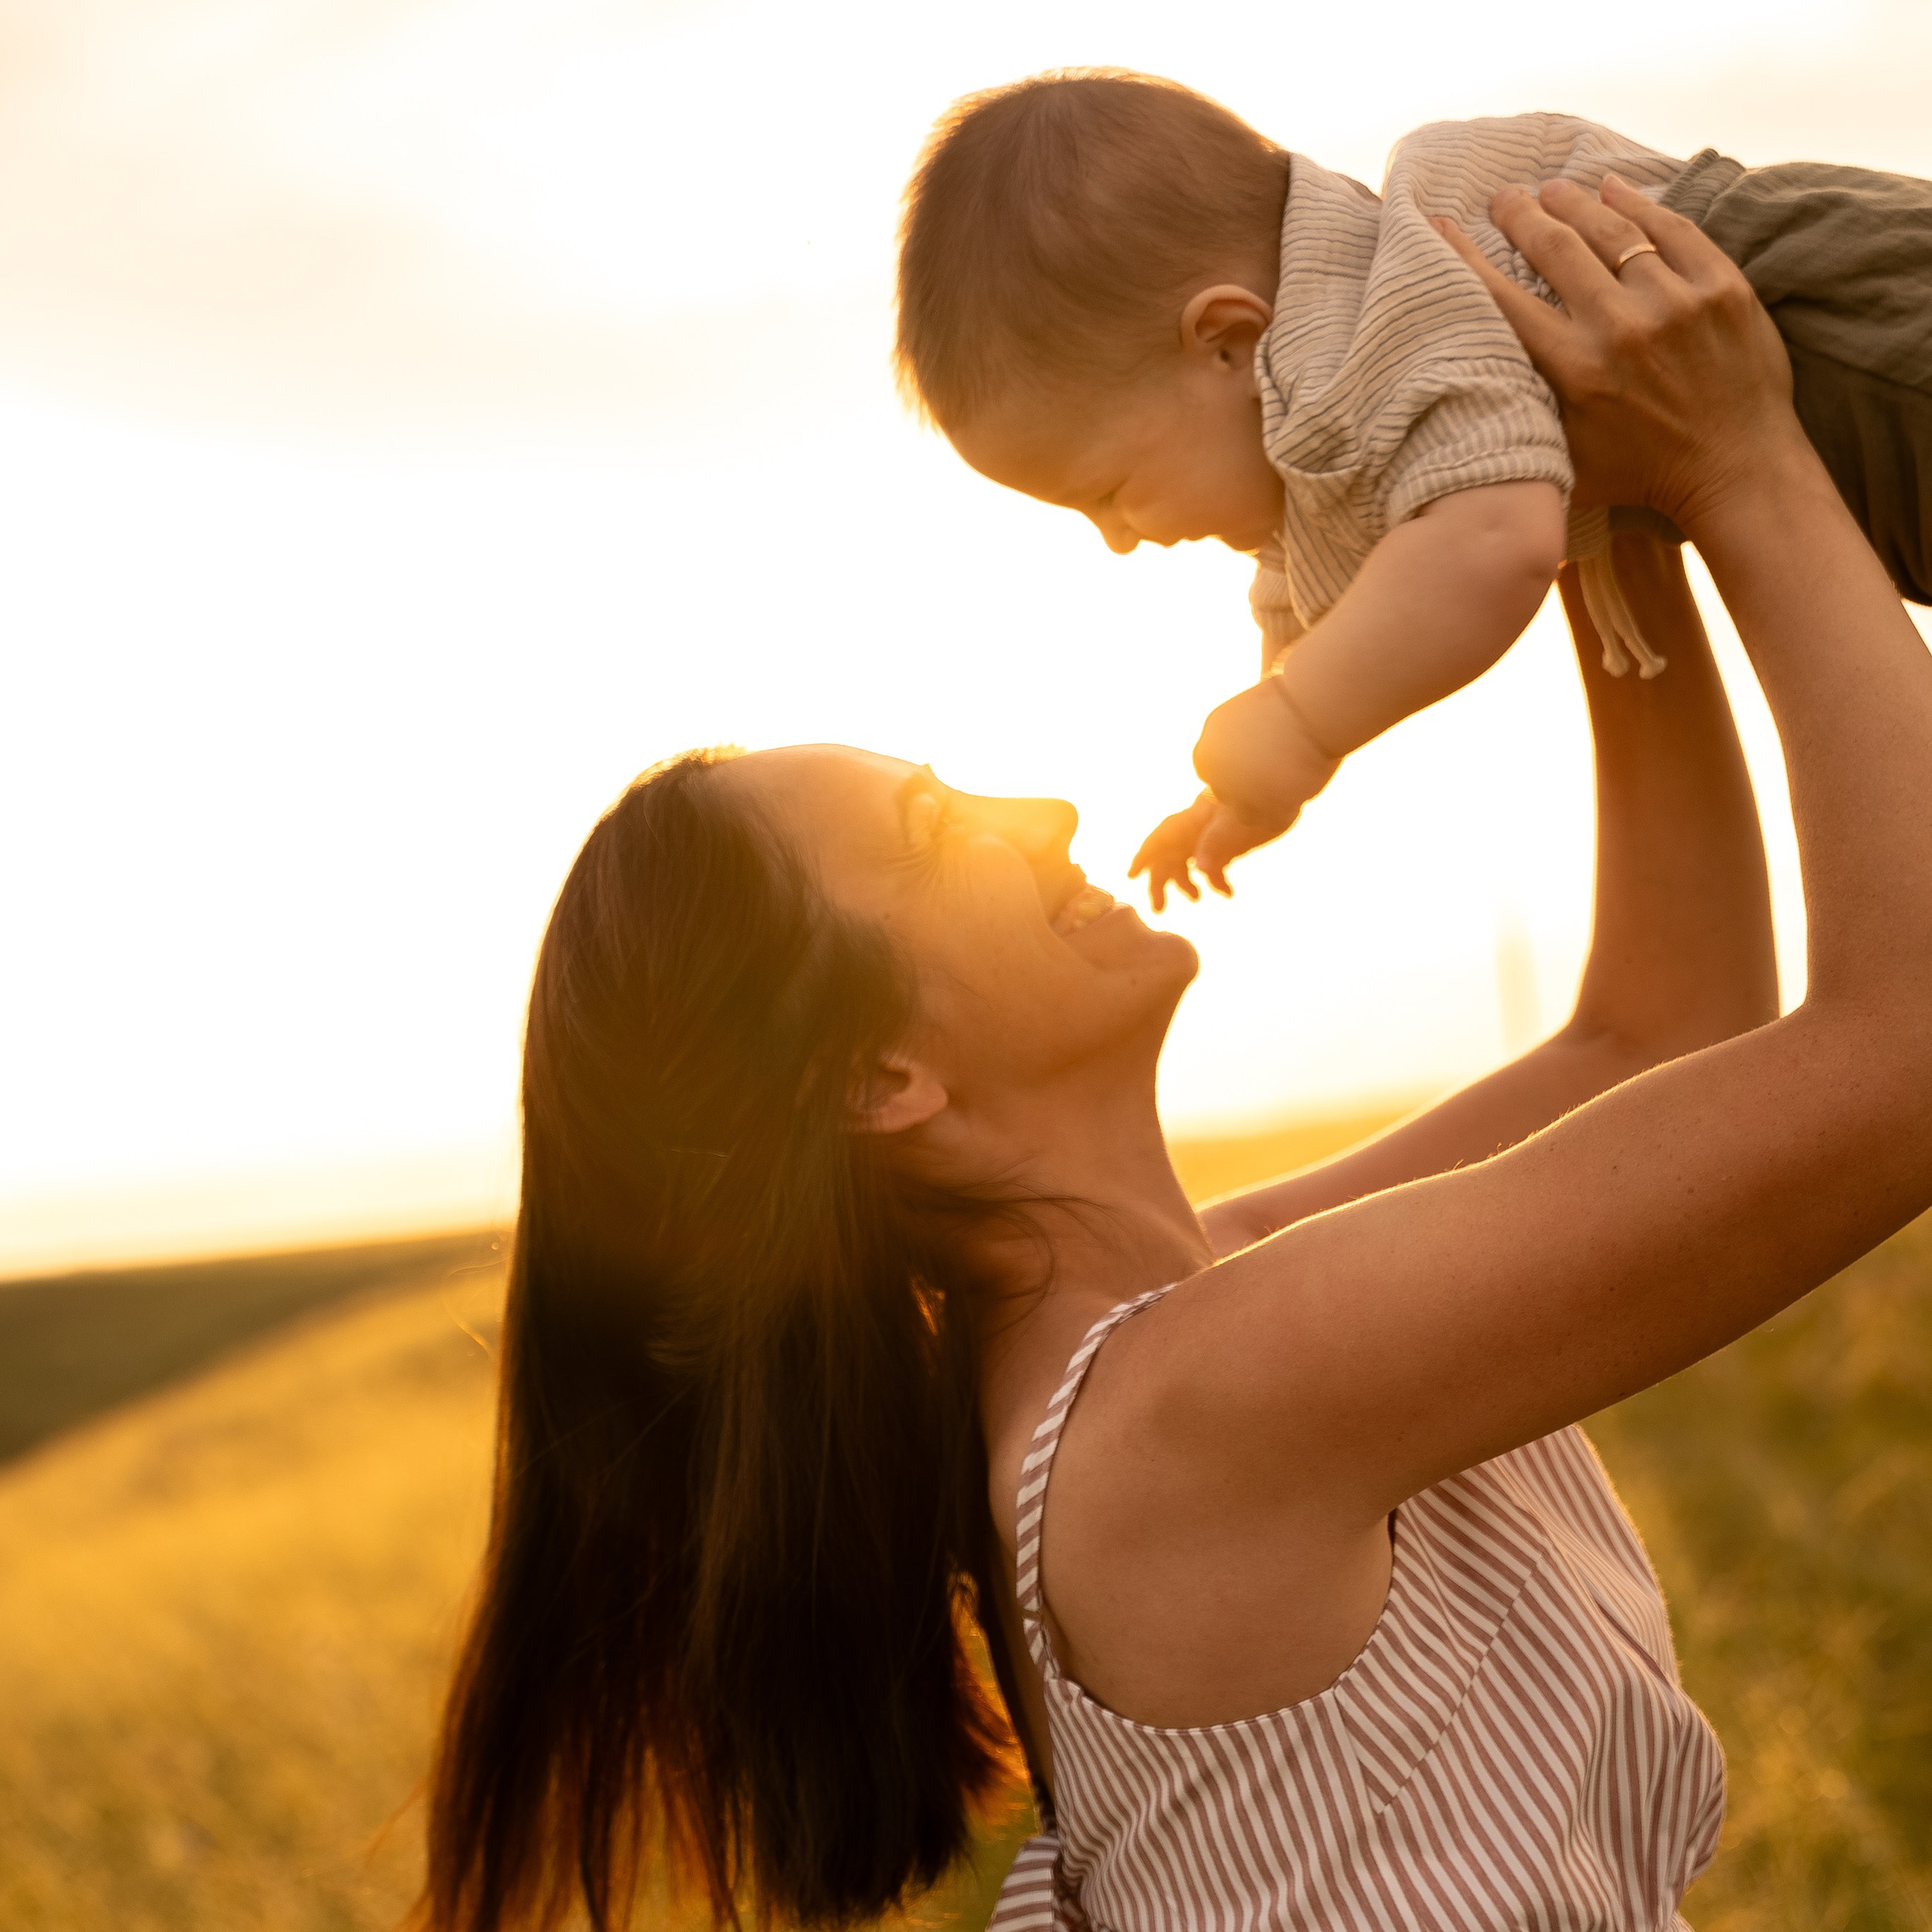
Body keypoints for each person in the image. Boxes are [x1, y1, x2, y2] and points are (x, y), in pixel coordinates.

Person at [415, 190, 1932, 1932]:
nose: (1041, 804)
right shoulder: (1199, 1401)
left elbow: (1659, 1029)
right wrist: (1740, 459)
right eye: (932, 828)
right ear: (876, 1081)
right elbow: (1895, 1055)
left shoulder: (1176, 1315)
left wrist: (1596, 511)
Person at [894, 71, 1932, 909]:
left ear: (1228, 339)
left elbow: (1493, 542)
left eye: (1108, 492)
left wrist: (1302, 727)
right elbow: (1313, 605)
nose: (1118, 540)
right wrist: (1247, 786)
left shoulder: (1394, 310)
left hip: (1879, 350)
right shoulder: (1314, 425)